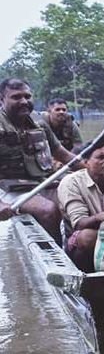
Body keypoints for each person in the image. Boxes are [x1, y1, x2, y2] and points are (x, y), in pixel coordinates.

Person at [0, 78, 77, 239]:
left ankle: (75, 245)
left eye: (27, 97)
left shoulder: (39, 122)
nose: (24, 101)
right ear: (2, 99)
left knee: (77, 195)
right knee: (47, 211)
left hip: (41, 182)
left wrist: (89, 167)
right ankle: (57, 256)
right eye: (16, 97)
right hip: (7, 188)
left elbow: (62, 153)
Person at [57, 144, 104, 272]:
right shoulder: (71, 182)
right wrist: (102, 217)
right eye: (101, 158)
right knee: (87, 237)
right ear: (86, 162)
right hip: (82, 240)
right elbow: (79, 223)